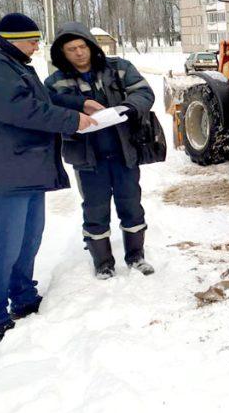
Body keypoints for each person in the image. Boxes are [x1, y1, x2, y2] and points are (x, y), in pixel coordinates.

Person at [0, 12, 97, 342]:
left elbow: (41, 99)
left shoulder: (10, 63)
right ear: (14, 40)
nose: (37, 47)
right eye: (33, 41)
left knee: (28, 239)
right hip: (2, 171)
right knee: (4, 245)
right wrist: (70, 120)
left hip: (24, 166)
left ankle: (22, 296)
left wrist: (80, 104)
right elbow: (17, 108)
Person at [44, 22, 157, 279]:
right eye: (71, 49)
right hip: (88, 158)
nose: (79, 53)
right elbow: (48, 106)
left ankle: (136, 257)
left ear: (91, 46)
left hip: (124, 153)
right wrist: (79, 105)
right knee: (95, 209)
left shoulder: (119, 68)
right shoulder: (55, 82)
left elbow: (144, 92)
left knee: (131, 204)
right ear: (62, 53)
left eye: (82, 46)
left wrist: (129, 108)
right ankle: (103, 263)